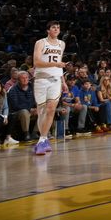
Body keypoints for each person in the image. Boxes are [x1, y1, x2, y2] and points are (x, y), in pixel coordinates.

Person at [31, 21, 67, 155]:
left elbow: (59, 65)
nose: (56, 29)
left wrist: (64, 81)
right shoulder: (41, 43)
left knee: (51, 109)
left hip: (56, 80)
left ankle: (42, 139)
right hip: (41, 79)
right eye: (53, 27)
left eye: (58, 27)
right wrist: (55, 64)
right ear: (48, 30)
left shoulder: (61, 44)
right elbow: (37, 62)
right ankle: (43, 139)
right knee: (42, 111)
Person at [7, 70, 36, 142]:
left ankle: (35, 133)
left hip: (30, 110)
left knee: (42, 110)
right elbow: (15, 105)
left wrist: (37, 108)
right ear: (18, 80)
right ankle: (26, 134)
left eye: (26, 78)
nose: (25, 79)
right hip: (16, 112)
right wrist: (29, 109)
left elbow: (37, 99)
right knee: (24, 112)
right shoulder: (13, 90)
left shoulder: (32, 87)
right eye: (22, 78)